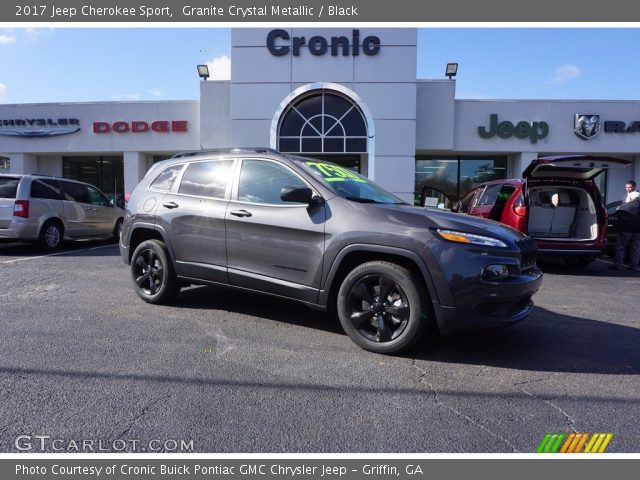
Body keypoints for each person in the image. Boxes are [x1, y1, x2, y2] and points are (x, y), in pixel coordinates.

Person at [611, 191, 640, 271]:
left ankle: (618, 265)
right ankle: (635, 265)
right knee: (636, 247)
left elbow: (615, 215)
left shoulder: (625, 205)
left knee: (621, 246)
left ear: (631, 197)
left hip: (625, 229)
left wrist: (618, 209)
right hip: (637, 230)